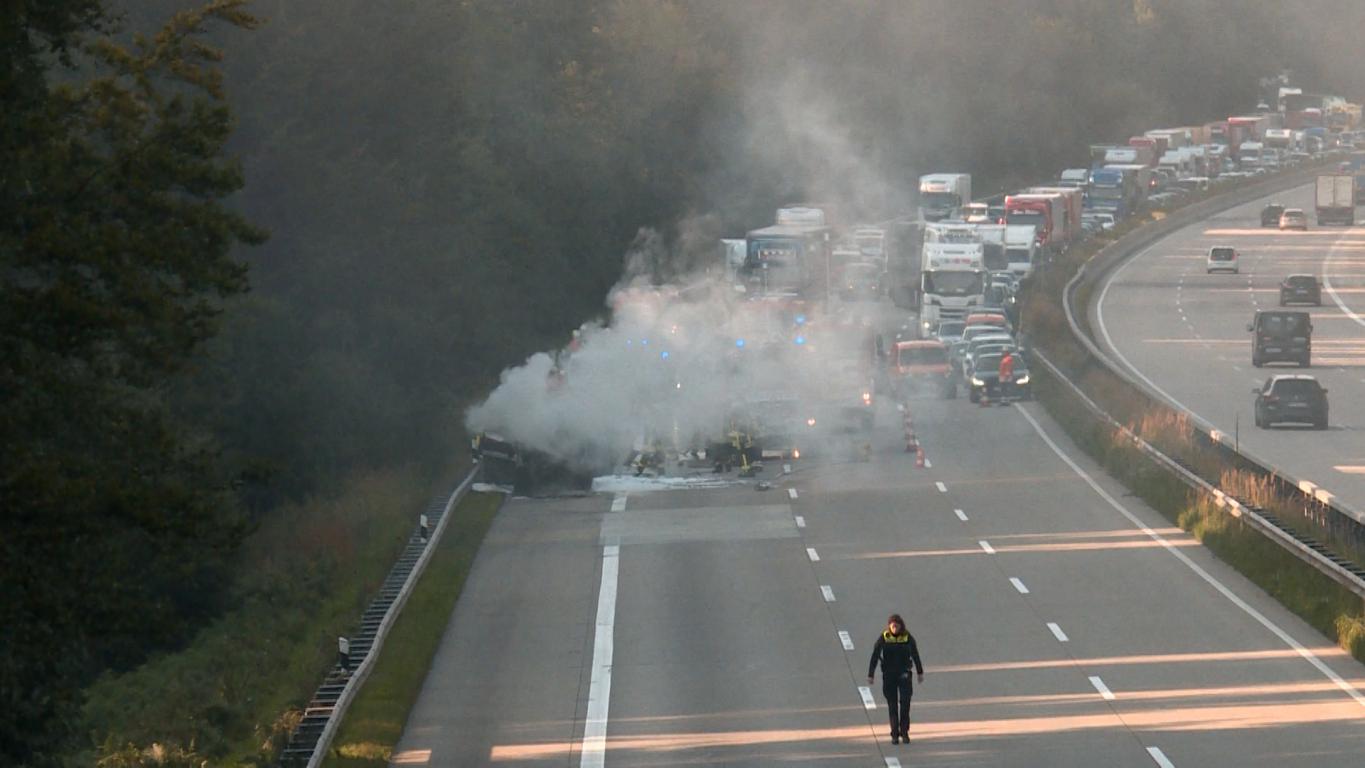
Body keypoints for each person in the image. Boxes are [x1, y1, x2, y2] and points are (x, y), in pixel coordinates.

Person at [867, 614, 924, 744]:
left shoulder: (907, 637)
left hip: (904, 674)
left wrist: (920, 672)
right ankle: (894, 734)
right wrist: (871, 674)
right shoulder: (884, 637)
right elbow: (875, 655)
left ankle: (904, 732)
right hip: (889, 675)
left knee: (905, 703)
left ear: (900, 626)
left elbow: (915, 654)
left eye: (896, 626)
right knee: (892, 705)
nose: (894, 628)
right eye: (892, 626)